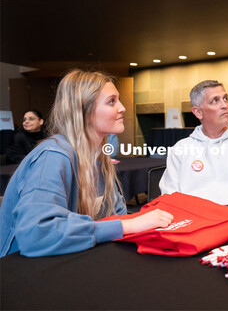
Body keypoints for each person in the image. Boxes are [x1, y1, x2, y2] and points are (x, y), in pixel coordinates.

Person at [0, 69, 173, 257]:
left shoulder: (99, 159)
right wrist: (127, 225)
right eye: (111, 101)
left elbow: (115, 216)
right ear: (83, 111)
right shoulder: (54, 156)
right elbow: (37, 234)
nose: (122, 108)